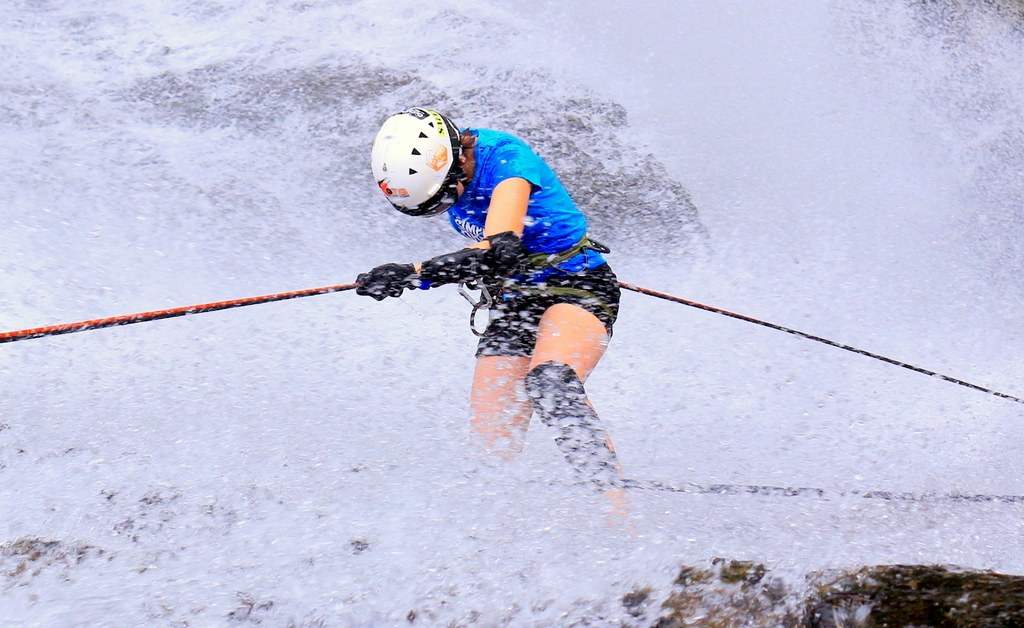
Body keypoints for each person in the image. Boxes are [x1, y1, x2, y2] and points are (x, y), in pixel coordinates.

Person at [355, 107, 624, 497]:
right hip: (515, 297)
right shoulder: (444, 166)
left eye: (446, 196)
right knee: (492, 447)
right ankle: (491, 541)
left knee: (550, 384)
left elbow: (500, 252)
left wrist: (411, 272)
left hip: (577, 285)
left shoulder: (507, 161)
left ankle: (619, 520)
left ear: (456, 159)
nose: (447, 206)